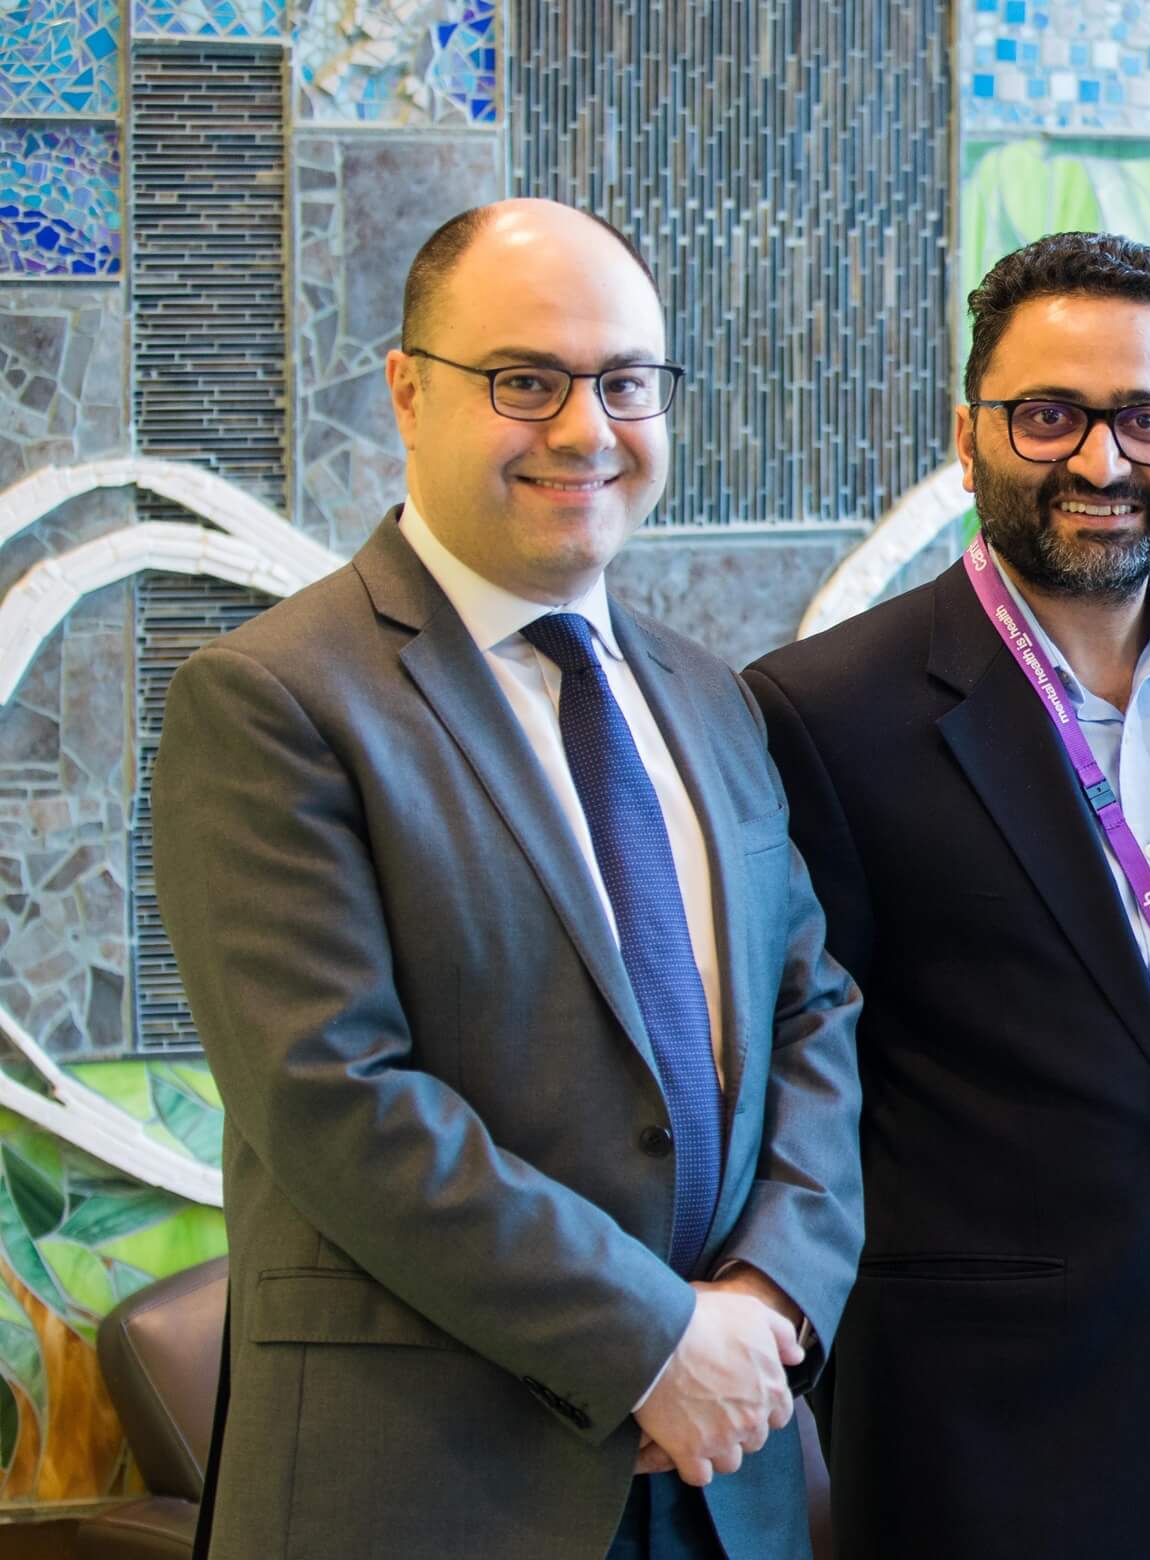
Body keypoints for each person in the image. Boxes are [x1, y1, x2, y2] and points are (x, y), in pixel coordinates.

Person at [149, 199, 864, 1560]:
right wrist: (653, 1341)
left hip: (726, 1477)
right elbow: (335, 1095)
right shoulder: (271, 702)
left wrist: (772, 1304)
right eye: (526, 381)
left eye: (626, 383)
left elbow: (811, 1012)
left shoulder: (713, 698)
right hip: (430, 1492)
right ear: (409, 393)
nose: (587, 429)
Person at [744, 231, 1150, 1559]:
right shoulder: (824, 715)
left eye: (1148, 417)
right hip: (991, 1435)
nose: (1102, 462)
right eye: (1049, 416)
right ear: (968, 437)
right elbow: (803, 1084)